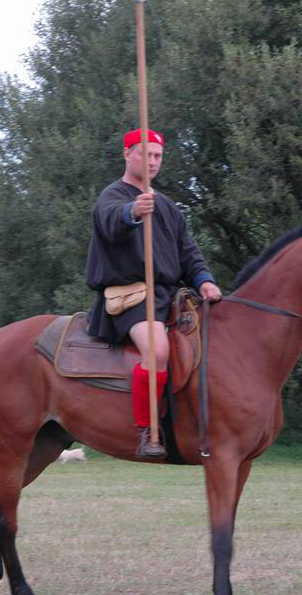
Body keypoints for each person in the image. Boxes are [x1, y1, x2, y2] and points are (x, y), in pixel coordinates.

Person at [85, 128, 222, 458]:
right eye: (145, 154)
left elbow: (188, 252)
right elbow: (111, 221)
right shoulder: (113, 196)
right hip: (131, 298)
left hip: (169, 297)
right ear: (127, 154)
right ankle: (149, 432)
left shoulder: (168, 207)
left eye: (158, 155)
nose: (152, 161)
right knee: (158, 351)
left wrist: (204, 280)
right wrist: (133, 211)